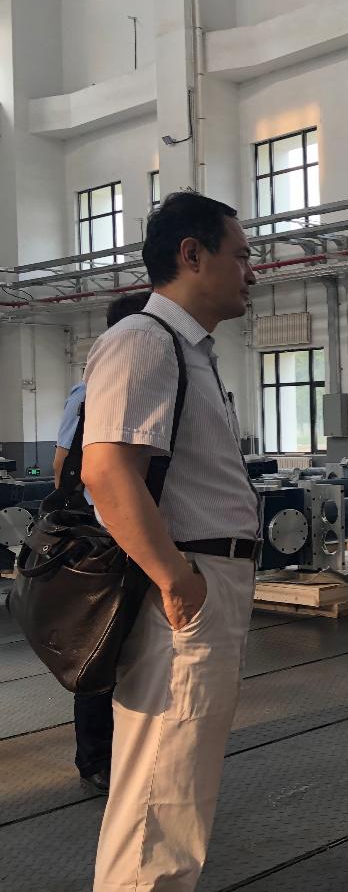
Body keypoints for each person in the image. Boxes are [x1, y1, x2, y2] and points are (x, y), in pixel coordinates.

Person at [82, 192, 260, 892]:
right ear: (192, 255)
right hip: (184, 592)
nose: (251, 272)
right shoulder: (144, 340)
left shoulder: (187, 351)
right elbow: (105, 471)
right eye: (240, 256)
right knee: (161, 793)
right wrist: (175, 578)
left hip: (204, 582)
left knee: (177, 789)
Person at [52, 290, 151, 798]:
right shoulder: (89, 391)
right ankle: (96, 758)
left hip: (149, 538)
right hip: (107, 542)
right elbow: (64, 466)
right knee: (101, 651)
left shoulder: (154, 384)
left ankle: (135, 752)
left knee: (141, 654)